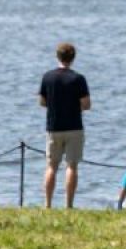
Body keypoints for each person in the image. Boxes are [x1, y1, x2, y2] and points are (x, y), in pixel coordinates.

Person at [38, 42, 91, 209]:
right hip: (74, 126)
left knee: (51, 166)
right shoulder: (78, 79)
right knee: (72, 166)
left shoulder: (47, 77)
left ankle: (47, 204)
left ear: (57, 56)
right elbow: (86, 104)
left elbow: (42, 101)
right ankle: (68, 205)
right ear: (73, 58)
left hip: (53, 127)